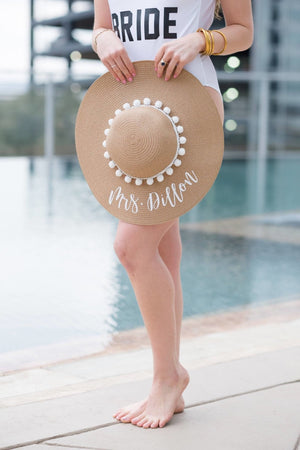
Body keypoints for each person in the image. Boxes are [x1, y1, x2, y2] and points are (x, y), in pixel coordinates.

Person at [92, 0, 254, 429]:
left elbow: (243, 30)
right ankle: (171, 378)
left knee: (131, 247)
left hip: (189, 108)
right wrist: (103, 39)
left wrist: (199, 41)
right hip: (132, 113)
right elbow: (101, 27)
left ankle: (167, 377)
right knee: (164, 251)